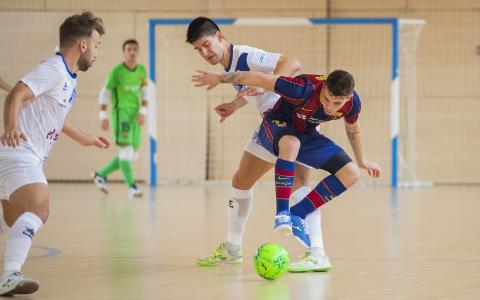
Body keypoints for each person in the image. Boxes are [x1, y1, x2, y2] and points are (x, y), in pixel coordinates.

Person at [187, 17, 331, 272]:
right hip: (274, 122)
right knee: (241, 181)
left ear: (220, 37)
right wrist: (234, 105)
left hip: (292, 120)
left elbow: (292, 64)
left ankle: (317, 253)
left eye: (207, 45)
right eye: (198, 50)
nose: (204, 53)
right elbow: (256, 88)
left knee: (299, 183)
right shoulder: (232, 65)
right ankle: (232, 249)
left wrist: (271, 81)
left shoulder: (245, 56)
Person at [192, 68, 382, 258]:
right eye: (326, 99)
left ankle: (297, 214)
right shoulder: (302, 89)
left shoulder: (352, 104)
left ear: (348, 98)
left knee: (351, 172)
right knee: (289, 145)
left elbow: (353, 129)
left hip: (307, 134)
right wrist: (218, 78)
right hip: (276, 125)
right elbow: (257, 77)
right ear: (323, 87)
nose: (330, 108)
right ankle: (282, 213)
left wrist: (362, 160)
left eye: (337, 103)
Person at [0, 12, 107, 296]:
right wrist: (11, 127)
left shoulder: (68, 79)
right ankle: (10, 275)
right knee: (38, 209)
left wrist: (85, 139)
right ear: (83, 45)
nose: (97, 53)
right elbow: (15, 96)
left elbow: (55, 116)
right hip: (19, 152)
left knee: (12, 221)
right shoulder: (53, 69)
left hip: (19, 157)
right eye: (96, 45)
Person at [92, 39, 147, 198]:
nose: (132, 52)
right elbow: (105, 93)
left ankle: (100, 174)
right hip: (120, 113)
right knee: (125, 151)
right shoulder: (117, 72)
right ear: (124, 53)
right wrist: (103, 115)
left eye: (135, 49)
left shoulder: (142, 70)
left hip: (135, 114)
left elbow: (144, 92)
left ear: (138, 52)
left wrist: (143, 111)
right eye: (128, 49)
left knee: (130, 154)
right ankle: (132, 187)